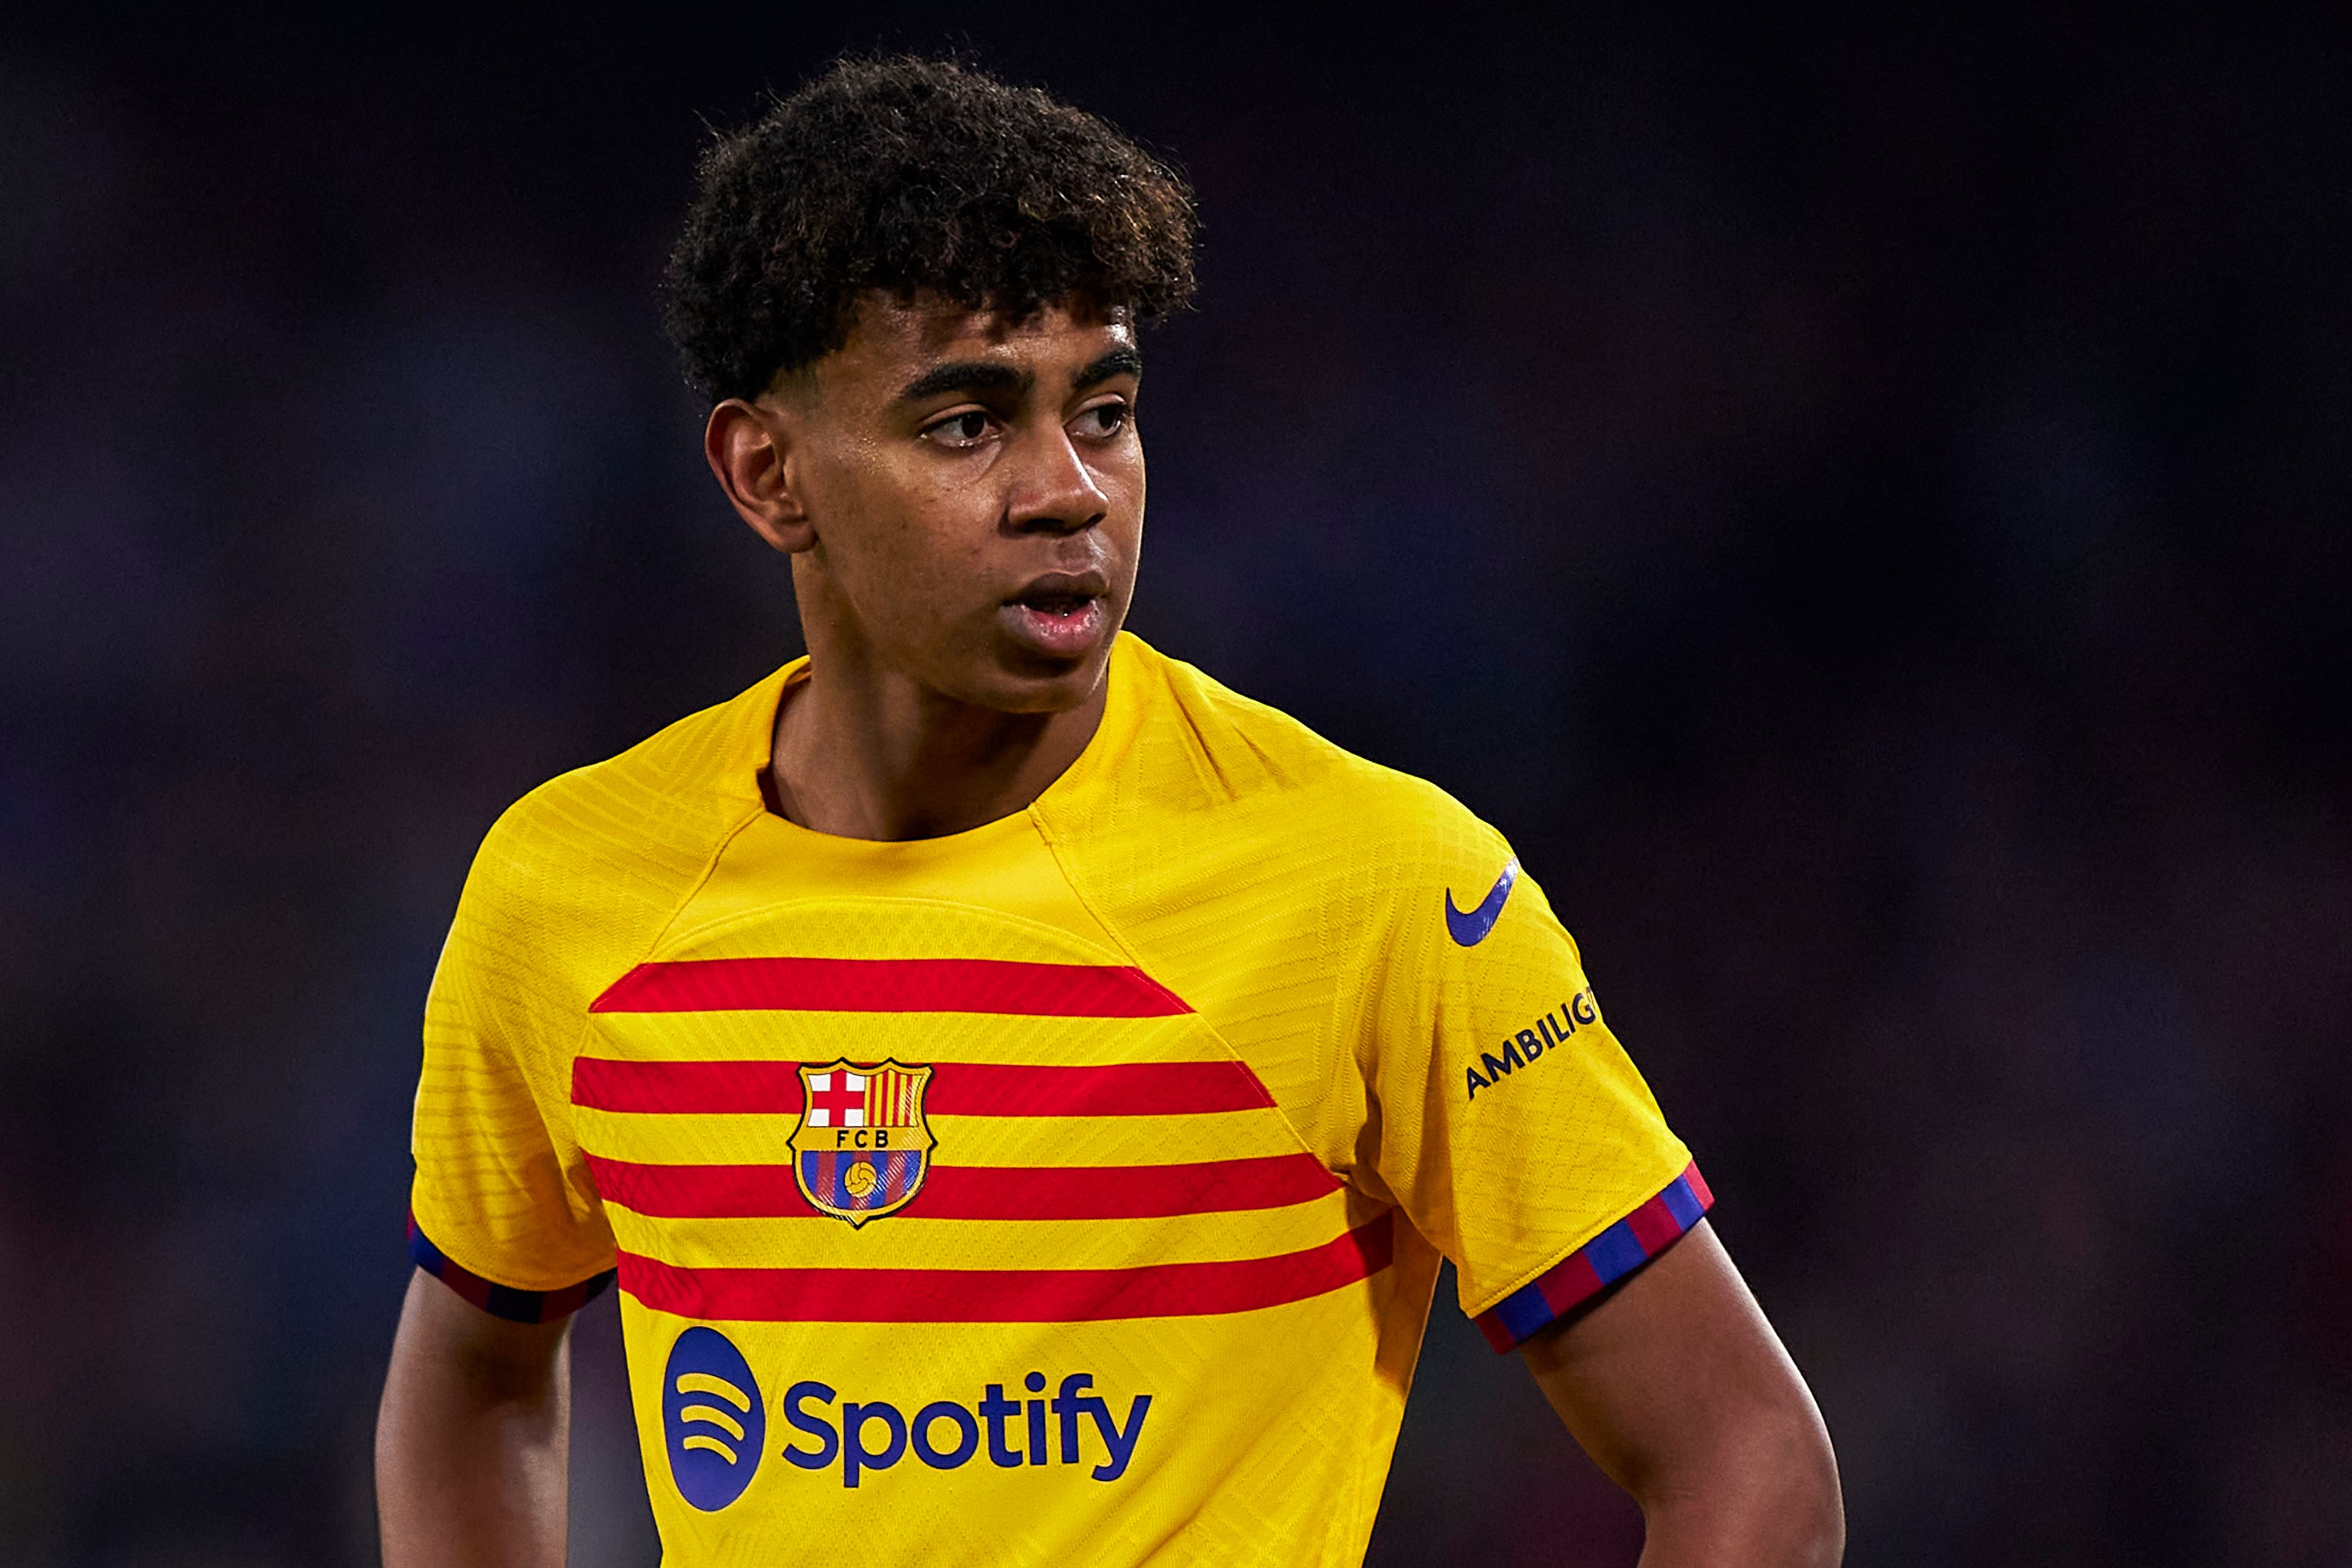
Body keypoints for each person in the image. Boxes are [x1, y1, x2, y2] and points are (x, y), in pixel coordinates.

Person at [374, 55, 1843, 1567]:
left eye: (1108, 409)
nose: (1069, 490)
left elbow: (1746, 1458)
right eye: (966, 423)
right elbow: (475, 1369)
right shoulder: (570, 888)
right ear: (768, 474)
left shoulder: (1371, 883)